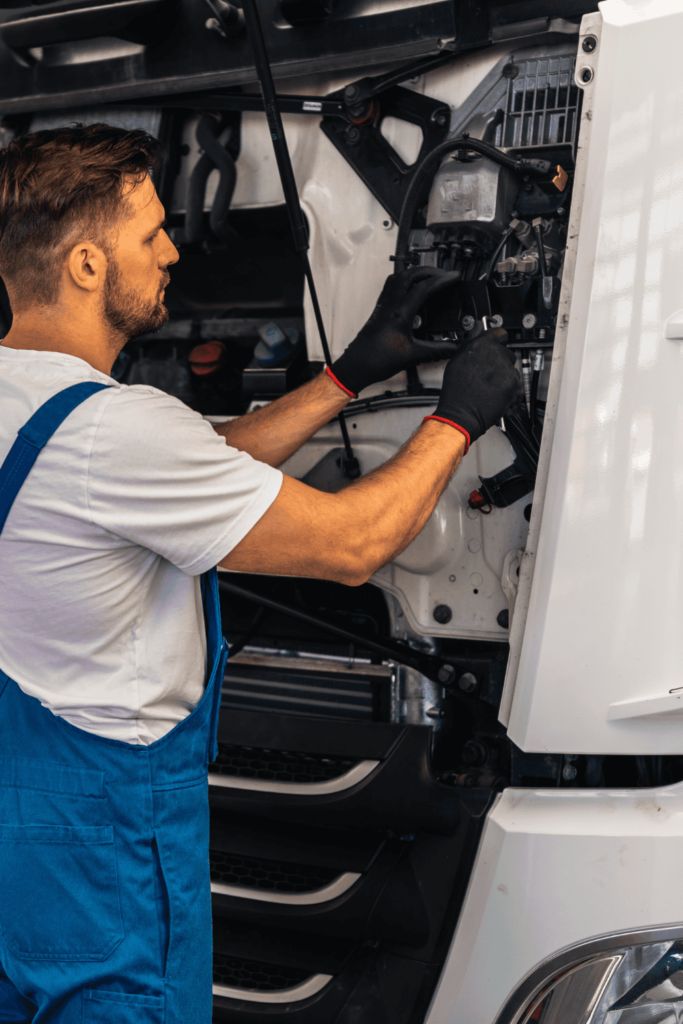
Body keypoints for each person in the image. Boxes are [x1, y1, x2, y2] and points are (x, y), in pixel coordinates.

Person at [0, 123, 519, 1023]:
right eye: (151, 232)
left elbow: (198, 464)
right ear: (86, 265)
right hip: (109, 838)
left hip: (23, 822)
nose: (171, 252)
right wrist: (460, 417)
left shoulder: (37, 407)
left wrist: (344, 380)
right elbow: (350, 543)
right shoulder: (113, 432)